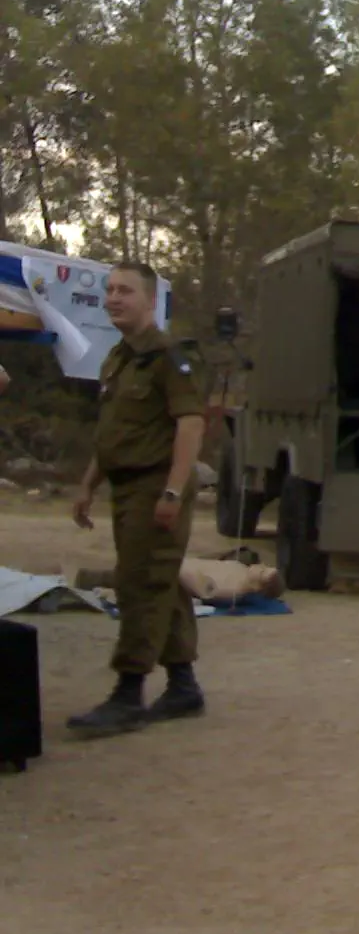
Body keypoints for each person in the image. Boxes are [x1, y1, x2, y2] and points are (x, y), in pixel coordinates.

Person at [66, 261, 206, 734]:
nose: (113, 298)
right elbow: (113, 431)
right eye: (109, 290)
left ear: (150, 300)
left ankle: (128, 693)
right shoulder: (118, 359)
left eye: (125, 291)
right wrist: (89, 483)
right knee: (159, 579)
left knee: (139, 584)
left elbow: (191, 425)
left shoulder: (169, 358)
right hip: (125, 486)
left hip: (156, 484)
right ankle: (183, 685)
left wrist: (173, 491)